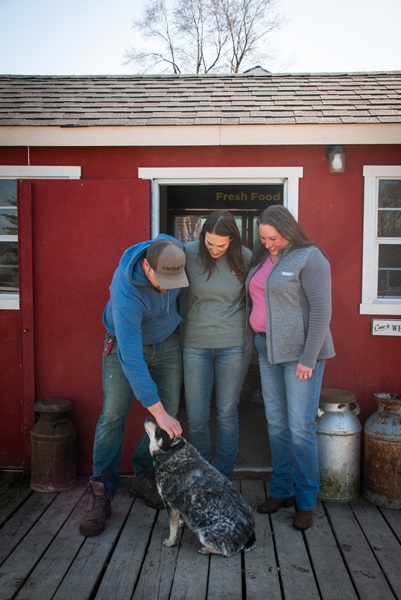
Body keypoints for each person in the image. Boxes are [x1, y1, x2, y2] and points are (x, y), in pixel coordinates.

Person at [79, 234, 189, 537]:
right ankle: (102, 489)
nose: (168, 286)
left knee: (165, 407)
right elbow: (130, 358)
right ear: (146, 265)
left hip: (166, 341)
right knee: (113, 413)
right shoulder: (126, 290)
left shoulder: (173, 250)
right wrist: (160, 413)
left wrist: (162, 412)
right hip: (126, 346)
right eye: (162, 280)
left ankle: (142, 475)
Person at [246, 205, 335, 531]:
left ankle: (306, 501)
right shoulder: (261, 258)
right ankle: (282, 490)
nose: (269, 243)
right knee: (276, 424)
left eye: (274, 237)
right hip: (266, 349)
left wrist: (308, 359)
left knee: (300, 427)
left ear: (289, 230)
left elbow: (322, 312)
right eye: (263, 237)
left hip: (300, 355)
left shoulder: (310, 258)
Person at [181, 210, 252, 479]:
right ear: (202, 237)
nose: (214, 249)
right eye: (209, 243)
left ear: (232, 240)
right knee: (196, 414)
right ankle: (201, 474)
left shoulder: (245, 257)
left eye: (221, 245)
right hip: (195, 344)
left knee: (225, 412)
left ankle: (222, 475)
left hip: (233, 345)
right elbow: (153, 256)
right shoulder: (187, 252)